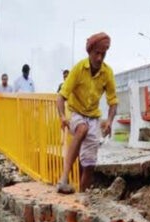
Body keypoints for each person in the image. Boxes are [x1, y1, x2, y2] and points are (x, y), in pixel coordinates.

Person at [56, 32, 118, 194]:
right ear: (90, 52)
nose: (99, 58)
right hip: (76, 114)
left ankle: (82, 195)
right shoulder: (78, 69)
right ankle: (63, 178)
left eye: (103, 54)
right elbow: (61, 97)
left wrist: (110, 121)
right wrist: (63, 117)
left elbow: (113, 102)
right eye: (96, 53)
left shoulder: (107, 73)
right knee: (81, 129)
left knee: (89, 163)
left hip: (94, 118)